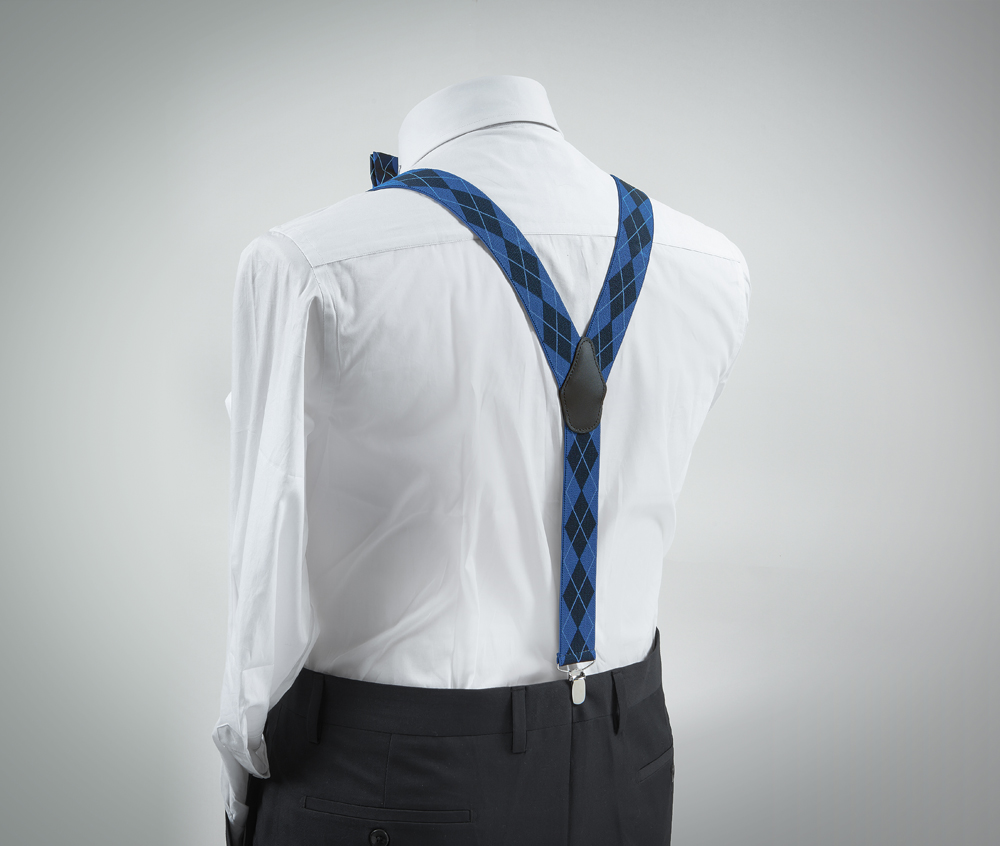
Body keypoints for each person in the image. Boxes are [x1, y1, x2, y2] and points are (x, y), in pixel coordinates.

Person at [213, 74, 750, 845]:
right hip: (627, 762)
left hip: (392, 777)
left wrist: (243, 791)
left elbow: (263, 576)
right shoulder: (709, 262)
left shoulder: (309, 265)